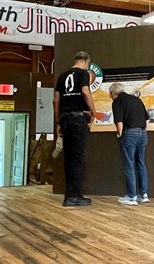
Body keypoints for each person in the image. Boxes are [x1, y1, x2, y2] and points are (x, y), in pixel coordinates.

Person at [54, 51, 97, 207]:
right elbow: (85, 92)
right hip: (78, 118)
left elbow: (56, 100)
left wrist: (58, 122)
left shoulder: (62, 75)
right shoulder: (83, 73)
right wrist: (93, 111)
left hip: (65, 118)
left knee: (69, 157)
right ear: (86, 62)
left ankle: (70, 194)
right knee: (78, 158)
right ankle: (73, 196)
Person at [110, 82, 149, 206]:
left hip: (130, 133)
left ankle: (132, 196)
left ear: (112, 93)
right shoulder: (137, 100)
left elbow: (119, 121)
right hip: (143, 133)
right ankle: (143, 195)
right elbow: (146, 120)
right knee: (141, 163)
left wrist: (119, 134)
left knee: (129, 165)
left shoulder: (117, 101)